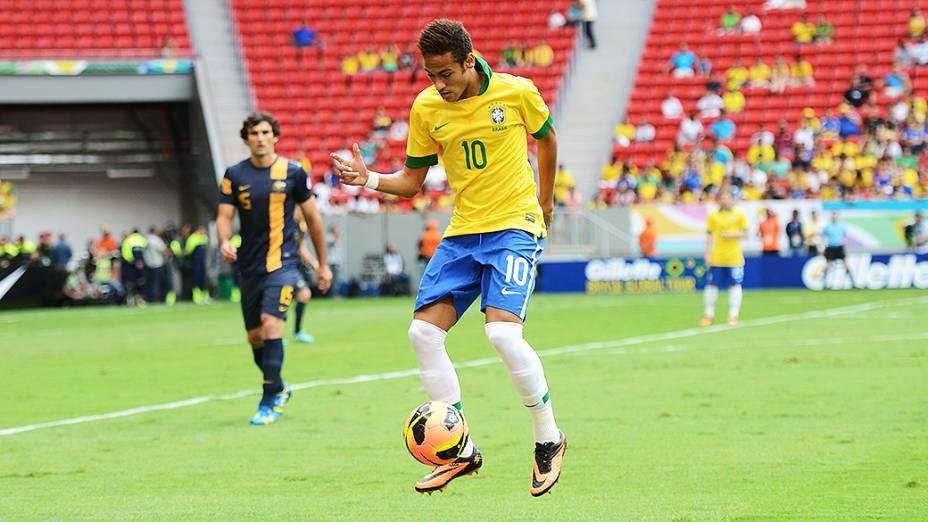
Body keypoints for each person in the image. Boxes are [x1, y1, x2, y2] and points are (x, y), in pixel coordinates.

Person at [330, 19, 565, 496]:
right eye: (430, 75)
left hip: (513, 227)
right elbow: (413, 181)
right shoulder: (427, 107)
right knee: (422, 332)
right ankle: (459, 451)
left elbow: (548, 138)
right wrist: (369, 178)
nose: (439, 84)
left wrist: (546, 201)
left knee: (501, 332)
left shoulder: (517, 92)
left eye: (446, 74)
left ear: (467, 60)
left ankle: (548, 438)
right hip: (463, 233)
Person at [216, 112, 332, 426]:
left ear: (275, 136)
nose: (260, 137)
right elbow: (224, 216)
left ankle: (268, 400)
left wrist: (323, 264)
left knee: (271, 324)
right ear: (246, 138)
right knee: (255, 336)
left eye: (266, 132)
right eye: (254, 133)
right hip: (249, 267)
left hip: (283, 265)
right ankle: (279, 387)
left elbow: (314, 220)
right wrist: (225, 240)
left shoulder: (293, 173)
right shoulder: (234, 174)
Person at [701, 189, 748, 326]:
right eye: (722, 198)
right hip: (717, 257)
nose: (725, 200)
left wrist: (732, 234)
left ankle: (733, 315)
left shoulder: (739, 215)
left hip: (734, 258)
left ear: (732, 199)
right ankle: (708, 315)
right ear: (719, 199)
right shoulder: (713, 215)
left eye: (728, 197)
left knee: (735, 285)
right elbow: (709, 235)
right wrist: (707, 253)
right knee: (711, 285)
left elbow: (746, 233)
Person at [292, 213, 320, 343]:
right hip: (280, 265)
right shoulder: (286, 221)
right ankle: (273, 335)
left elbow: (302, 249)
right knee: (278, 298)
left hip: (293, 267)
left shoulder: (302, 226)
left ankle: (297, 332)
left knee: (304, 294)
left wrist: (317, 265)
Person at [821, 211, 855, 288]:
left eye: (835, 215)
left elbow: (845, 236)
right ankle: (824, 284)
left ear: (838, 216)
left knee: (846, 264)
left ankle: (853, 283)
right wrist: (823, 247)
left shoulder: (842, 225)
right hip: (830, 247)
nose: (834, 216)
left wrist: (845, 246)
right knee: (828, 265)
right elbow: (823, 237)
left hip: (839, 247)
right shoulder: (827, 226)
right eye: (833, 215)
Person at [121, 228, 148, 306]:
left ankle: (130, 300)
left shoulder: (128, 240)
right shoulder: (143, 239)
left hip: (130, 265)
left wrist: (134, 261)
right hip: (142, 265)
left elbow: (125, 254)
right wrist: (140, 261)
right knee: (141, 282)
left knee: (130, 284)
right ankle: (141, 300)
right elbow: (147, 252)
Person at [184, 225, 209, 304]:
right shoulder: (193, 238)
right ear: (198, 230)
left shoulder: (204, 237)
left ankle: (204, 297)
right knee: (196, 279)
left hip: (202, 263)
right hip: (195, 263)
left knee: (203, 279)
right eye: (202, 230)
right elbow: (187, 252)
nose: (204, 232)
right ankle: (197, 297)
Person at [144, 226, 169, 303]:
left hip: (148, 264)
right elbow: (164, 250)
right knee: (157, 283)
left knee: (150, 283)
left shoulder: (145, 239)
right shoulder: (156, 240)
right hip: (157, 264)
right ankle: (156, 299)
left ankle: (150, 298)